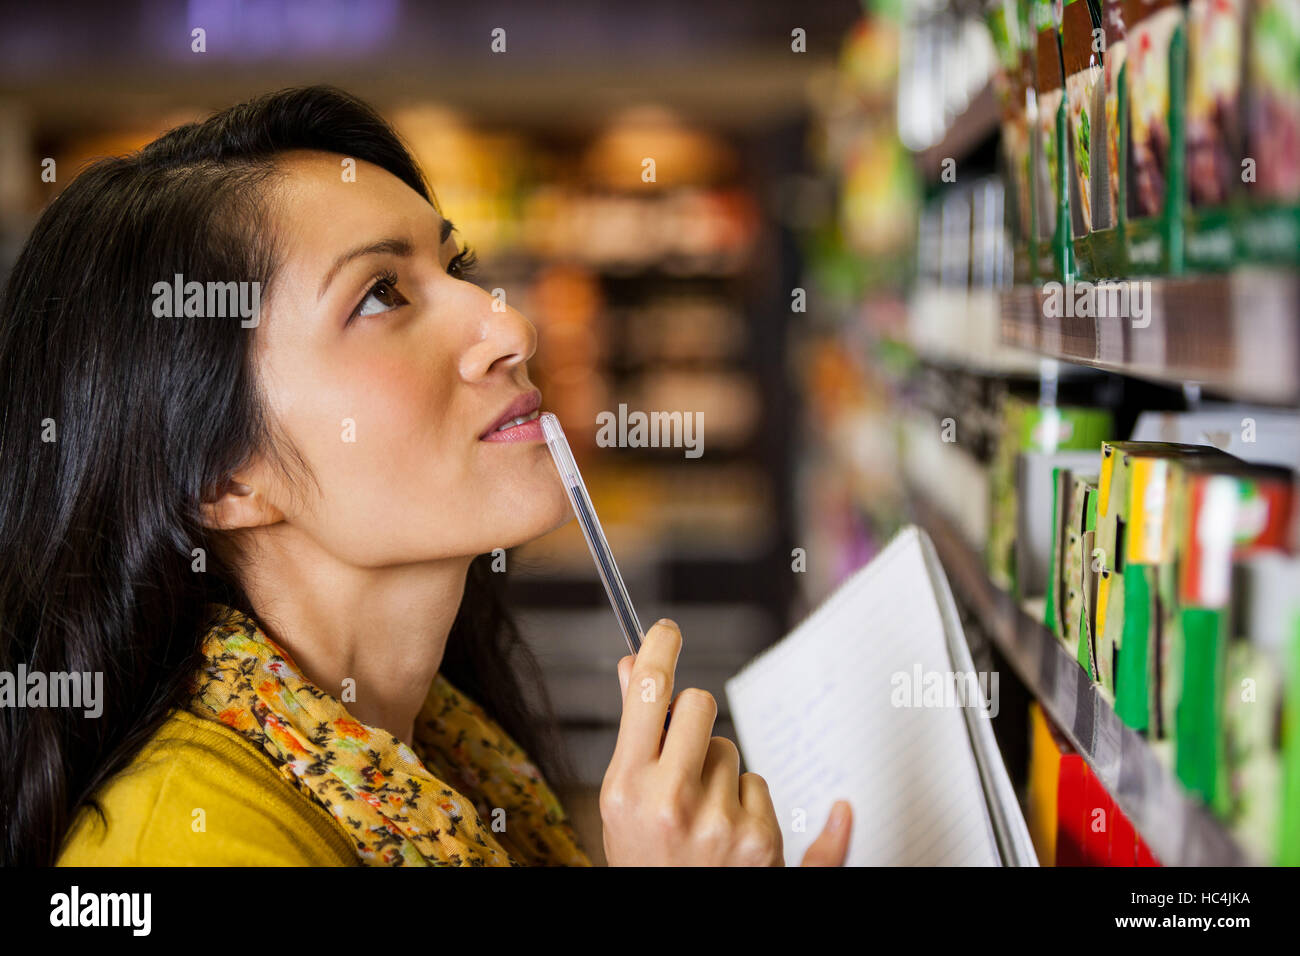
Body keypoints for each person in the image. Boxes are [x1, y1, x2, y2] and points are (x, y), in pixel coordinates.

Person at [0, 85, 852, 866]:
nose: (508, 323)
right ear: (223, 478)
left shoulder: (441, 754)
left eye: (458, 269)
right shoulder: (189, 848)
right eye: (379, 294)